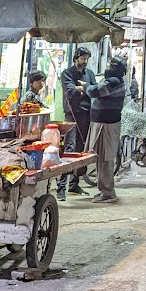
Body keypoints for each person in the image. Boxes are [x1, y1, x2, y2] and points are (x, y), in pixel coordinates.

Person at [85, 58, 127, 203]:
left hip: (107, 125)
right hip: (103, 123)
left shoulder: (114, 81)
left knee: (105, 159)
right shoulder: (113, 80)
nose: (108, 67)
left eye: (111, 65)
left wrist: (85, 87)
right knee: (100, 158)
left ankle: (108, 193)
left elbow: (96, 91)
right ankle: (104, 190)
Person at [57, 47, 94, 199]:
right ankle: (61, 188)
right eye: (82, 58)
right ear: (76, 58)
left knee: (80, 149)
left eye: (86, 59)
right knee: (69, 148)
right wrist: (83, 88)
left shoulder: (90, 74)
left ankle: (74, 185)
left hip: (86, 115)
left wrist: (83, 88)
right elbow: (70, 91)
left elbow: (94, 90)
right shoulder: (67, 73)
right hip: (71, 115)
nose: (84, 61)